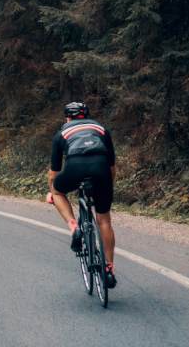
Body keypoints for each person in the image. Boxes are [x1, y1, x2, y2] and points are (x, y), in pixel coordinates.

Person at [47, 101, 117, 288]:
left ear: (67, 118)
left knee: (57, 189)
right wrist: (108, 186)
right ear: (87, 116)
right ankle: (109, 268)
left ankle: (73, 226)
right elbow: (111, 167)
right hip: (101, 170)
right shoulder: (101, 129)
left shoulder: (61, 133)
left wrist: (51, 192)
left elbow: (54, 173)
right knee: (104, 220)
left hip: (74, 167)